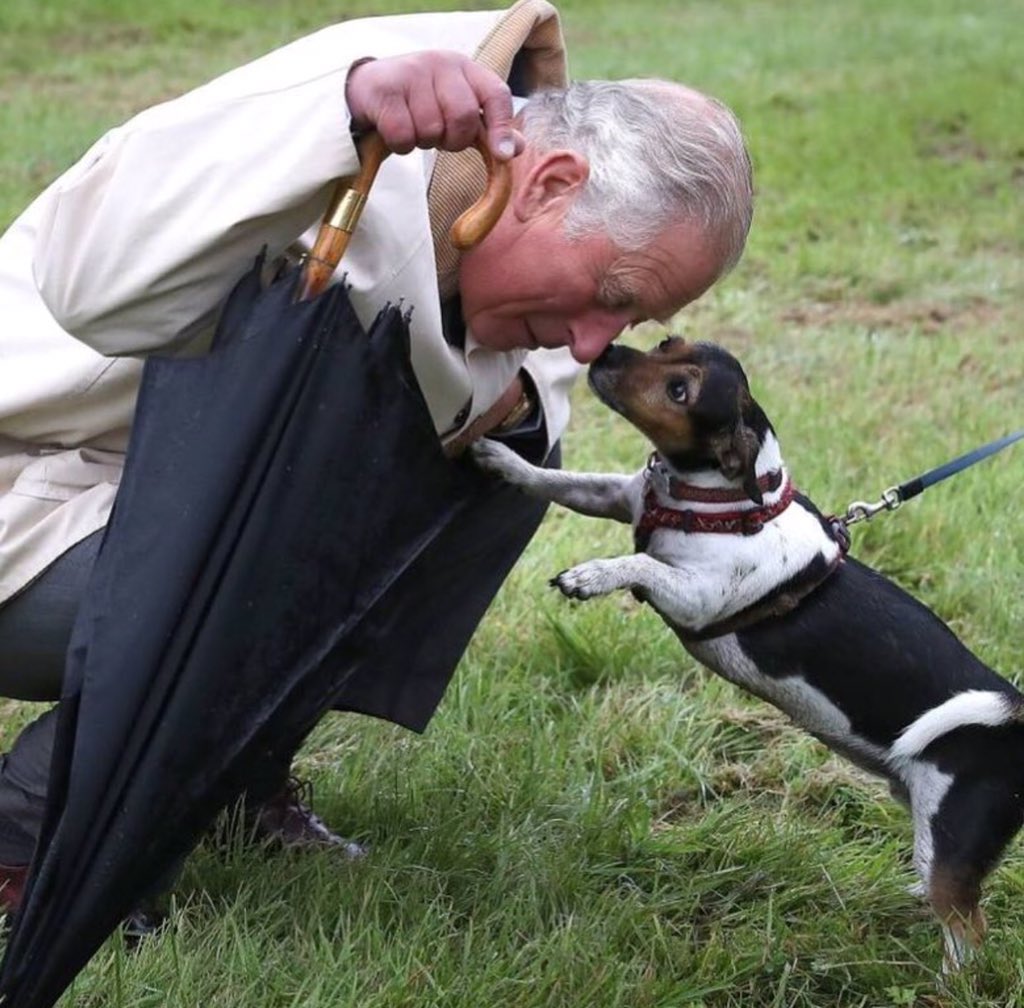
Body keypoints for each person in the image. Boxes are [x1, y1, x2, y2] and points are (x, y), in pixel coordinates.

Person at [0, 0, 753, 918]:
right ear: (550, 183)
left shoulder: (507, 194)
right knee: (308, 536)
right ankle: (28, 828)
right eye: (610, 295)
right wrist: (337, 114)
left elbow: (508, 399)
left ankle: (225, 772)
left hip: (161, 507)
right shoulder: (363, 104)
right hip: (27, 492)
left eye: (627, 320)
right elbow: (92, 282)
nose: (598, 345)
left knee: (499, 474)